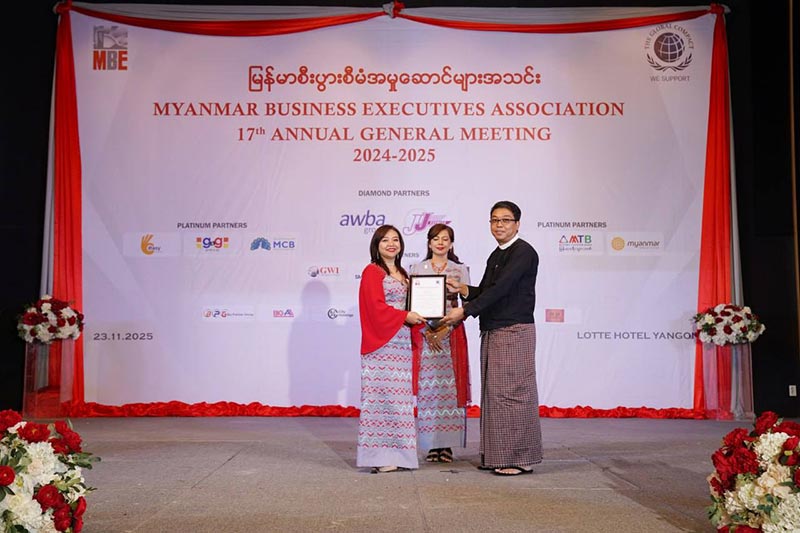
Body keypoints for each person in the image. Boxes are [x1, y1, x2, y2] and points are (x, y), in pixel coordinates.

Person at [441, 201, 542, 476]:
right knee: (496, 396)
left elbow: (501, 290)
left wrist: (464, 311)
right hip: (495, 331)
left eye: (506, 220)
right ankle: (498, 455)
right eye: (494, 220)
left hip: (514, 331)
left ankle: (519, 458)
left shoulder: (523, 252)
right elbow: (488, 290)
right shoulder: (497, 254)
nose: (499, 225)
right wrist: (462, 288)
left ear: (517, 224)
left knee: (514, 395)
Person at [356, 224, 426, 474]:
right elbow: (374, 307)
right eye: (385, 240)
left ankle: (401, 456)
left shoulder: (404, 273)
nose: (391, 244)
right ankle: (380, 456)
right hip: (381, 345)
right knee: (380, 400)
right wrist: (405, 316)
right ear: (376, 245)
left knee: (400, 402)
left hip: (402, 344)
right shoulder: (372, 271)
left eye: (395, 239)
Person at [409, 224, 471, 464]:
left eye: (445, 239)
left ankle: (447, 446)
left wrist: (445, 329)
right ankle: (430, 445)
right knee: (429, 391)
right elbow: (411, 305)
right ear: (429, 243)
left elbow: (466, 305)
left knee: (450, 390)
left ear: (451, 243)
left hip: (451, 334)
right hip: (425, 334)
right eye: (436, 239)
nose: (440, 243)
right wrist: (427, 332)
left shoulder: (460, 269)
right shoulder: (417, 269)